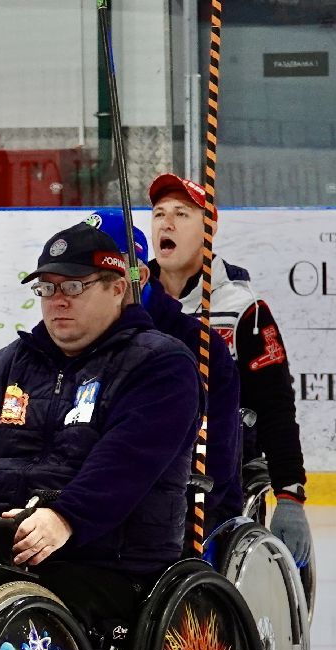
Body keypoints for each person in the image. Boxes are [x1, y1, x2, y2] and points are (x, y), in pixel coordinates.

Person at [0, 221, 200, 630]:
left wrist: (65, 517)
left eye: (73, 287)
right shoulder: (11, 362)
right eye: (46, 288)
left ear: (118, 287)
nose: (57, 300)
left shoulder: (161, 365)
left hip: (105, 563)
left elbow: (125, 464)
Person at [148, 173, 313, 567]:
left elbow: (275, 406)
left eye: (181, 214)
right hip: (148, 457)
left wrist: (290, 495)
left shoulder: (244, 310)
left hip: (221, 469)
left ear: (209, 228)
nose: (166, 224)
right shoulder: (131, 300)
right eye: (158, 214)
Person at [86, 209, 243, 531]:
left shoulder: (198, 345)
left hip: (169, 516)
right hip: (84, 504)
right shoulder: (66, 340)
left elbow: (215, 455)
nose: (86, 286)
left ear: (138, 275)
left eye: (101, 274)